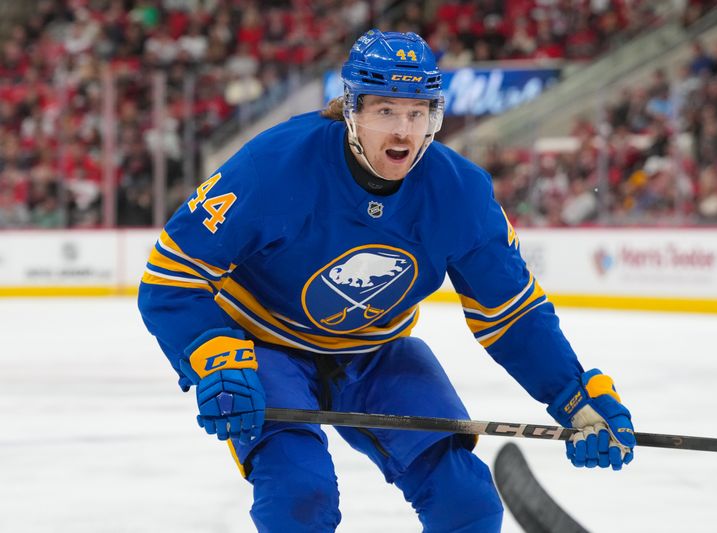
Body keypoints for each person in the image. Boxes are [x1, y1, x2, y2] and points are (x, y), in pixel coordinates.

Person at [138, 29, 635, 532]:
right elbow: (172, 277)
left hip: (375, 355)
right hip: (268, 346)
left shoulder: (459, 193)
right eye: (385, 112)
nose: (403, 131)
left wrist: (574, 394)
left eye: (417, 113)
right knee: (299, 496)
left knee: (468, 502)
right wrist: (215, 357)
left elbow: (512, 314)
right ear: (350, 110)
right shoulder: (274, 165)